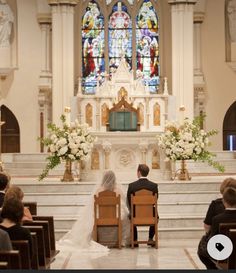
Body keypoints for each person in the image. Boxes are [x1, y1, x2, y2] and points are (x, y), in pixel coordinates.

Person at [57, 170, 130, 253]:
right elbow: (124, 204)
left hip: (100, 217)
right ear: (114, 179)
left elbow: (93, 205)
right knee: (126, 217)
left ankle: (96, 239)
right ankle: (121, 241)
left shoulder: (99, 190)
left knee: (91, 217)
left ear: (103, 179)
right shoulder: (118, 191)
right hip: (116, 217)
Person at [198, 187, 236, 269]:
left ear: (224, 202)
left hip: (224, 253)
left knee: (202, 248)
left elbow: (213, 238)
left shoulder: (217, 219)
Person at [126, 164, 158, 246]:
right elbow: (155, 200)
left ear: (139, 172)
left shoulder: (132, 186)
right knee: (156, 215)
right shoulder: (154, 186)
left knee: (131, 214)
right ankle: (150, 238)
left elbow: (129, 201)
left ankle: (135, 240)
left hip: (136, 215)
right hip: (150, 216)